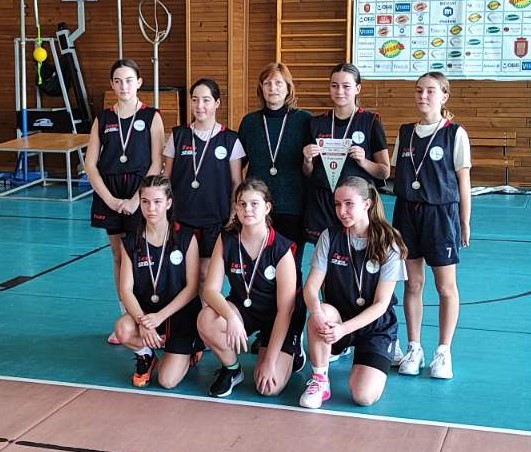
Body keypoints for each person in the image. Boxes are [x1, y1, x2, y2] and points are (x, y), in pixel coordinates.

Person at [299, 176, 407, 409]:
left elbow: (381, 304)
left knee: (363, 397)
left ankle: (383, 349)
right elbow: (310, 288)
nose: (342, 211)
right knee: (322, 311)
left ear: (367, 204)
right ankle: (320, 380)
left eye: (349, 204)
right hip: (338, 319)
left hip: (375, 327)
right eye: (338, 204)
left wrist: (343, 329)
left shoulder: (389, 241)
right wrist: (316, 313)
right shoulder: (330, 236)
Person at [391, 71, 471, 379]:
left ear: (444, 96)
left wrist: (464, 220)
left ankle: (443, 351)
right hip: (406, 214)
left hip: (440, 215)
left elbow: (463, 182)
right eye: (419, 90)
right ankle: (414, 347)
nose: (423, 96)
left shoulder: (455, 134)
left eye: (430, 91)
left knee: (445, 287)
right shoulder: (405, 132)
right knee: (412, 284)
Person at [197, 179, 306, 398]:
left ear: (267, 207)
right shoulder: (226, 239)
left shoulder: (282, 249)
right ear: (236, 208)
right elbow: (210, 290)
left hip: (278, 317)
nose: (248, 209)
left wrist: (270, 362)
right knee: (206, 319)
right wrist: (230, 317)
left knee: (268, 388)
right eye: (242, 204)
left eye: (254, 204)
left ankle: (292, 349)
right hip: (244, 310)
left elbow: (285, 310)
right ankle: (232, 369)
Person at [85, 59, 165, 345]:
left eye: (129, 80)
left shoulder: (152, 116)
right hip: (110, 193)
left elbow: (156, 163)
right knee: (119, 256)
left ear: (139, 82)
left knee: (141, 257)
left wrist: (135, 200)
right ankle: (126, 318)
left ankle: (149, 318)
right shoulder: (103, 119)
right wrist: (109, 199)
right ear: (112, 84)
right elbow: (90, 164)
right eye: (118, 81)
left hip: (139, 194)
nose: (123, 86)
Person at [114, 175, 203, 388]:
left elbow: (192, 288)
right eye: (145, 202)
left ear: (168, 203)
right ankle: (146, 355)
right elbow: (125, 290)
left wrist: (159, 317)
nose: (151, 208)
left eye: (157, 202)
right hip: (147, 314)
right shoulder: (131, 241)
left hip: (179, 315)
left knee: (167, 381)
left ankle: (189, 350)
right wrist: (143, 322)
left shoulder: (186, 237)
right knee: (123, 329)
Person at [163, 78, 244, 300]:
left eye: (206, 100)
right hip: (182, 219)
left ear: (217, 103)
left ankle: (205, 318)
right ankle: (186, 319)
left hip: (215, 220)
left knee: (207, 275)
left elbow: (237, 182)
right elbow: (165, 179)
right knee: (183, 276)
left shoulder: (230, 139)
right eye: (195, 100)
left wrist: (233, 215)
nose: (200, 106)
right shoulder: (178, 136)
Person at [302, 63, 390, 244]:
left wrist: (364, 161)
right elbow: (308, 173)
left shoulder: (370, 121)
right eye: (334, 86)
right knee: (325, 253)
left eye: (346, 86)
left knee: (356, 251)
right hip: (324, 202)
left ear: (357, 89)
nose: (339, 91)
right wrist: (307, 160)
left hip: (355, 203)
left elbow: (384, 171)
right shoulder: (317, 123)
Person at [238, 62, 312, 270]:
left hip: (293, 206)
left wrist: (308, 160)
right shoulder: (249, 122)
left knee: (291, 265)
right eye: (267, 83)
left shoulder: (304, 120)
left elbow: (311, 171)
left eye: (279, 83)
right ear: (261, 88)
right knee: (258, 264)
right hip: (257, 207)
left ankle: (293, 295)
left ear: (288, 88)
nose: (273, 88)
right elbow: (237, 165)